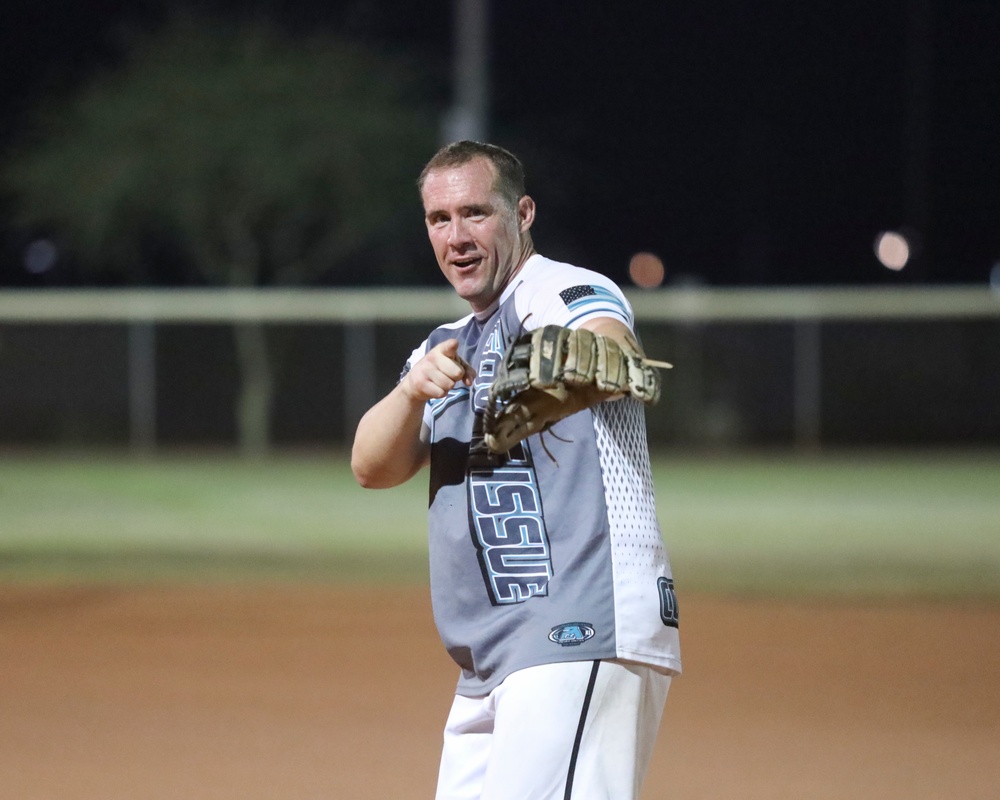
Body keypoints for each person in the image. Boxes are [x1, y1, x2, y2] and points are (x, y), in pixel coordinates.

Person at [351, 140, 681, 800]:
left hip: (579, 627)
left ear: (522, 213)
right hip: (489, 657)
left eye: (476, 213)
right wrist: (413, 390)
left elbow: (617, 360)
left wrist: (512, 388)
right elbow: (371, 466)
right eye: (439, 219)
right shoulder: (445, 343)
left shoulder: (559, 290)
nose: (457, 236)